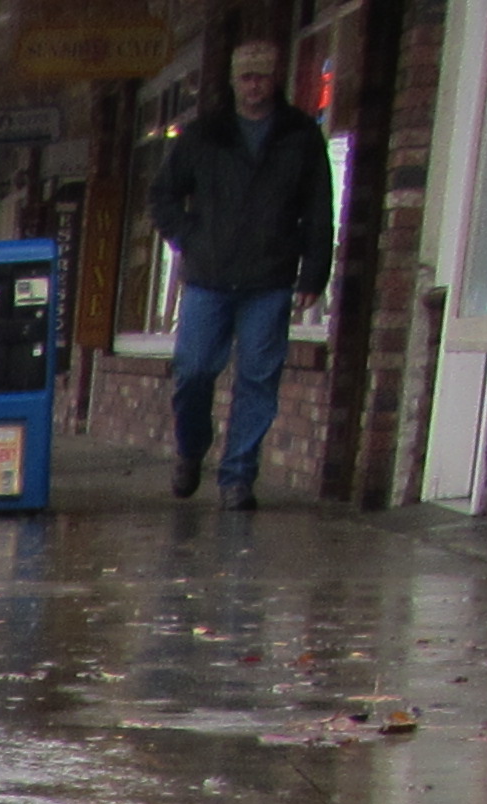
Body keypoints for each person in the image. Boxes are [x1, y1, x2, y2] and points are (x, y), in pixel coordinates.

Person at [149, 37, 332, 510]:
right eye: (246, 77)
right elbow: (163, 194)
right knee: (193, 371)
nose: (255, 86)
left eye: (263, 77)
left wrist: (314, 272)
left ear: (276, 80)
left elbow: (318, 208)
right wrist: (189, 235)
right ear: (234, 81)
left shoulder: (300, 135)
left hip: (269, 278)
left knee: (258, 380)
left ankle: (237, 477)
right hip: (208, 275)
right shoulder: (205, 134)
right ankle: (191, 450)